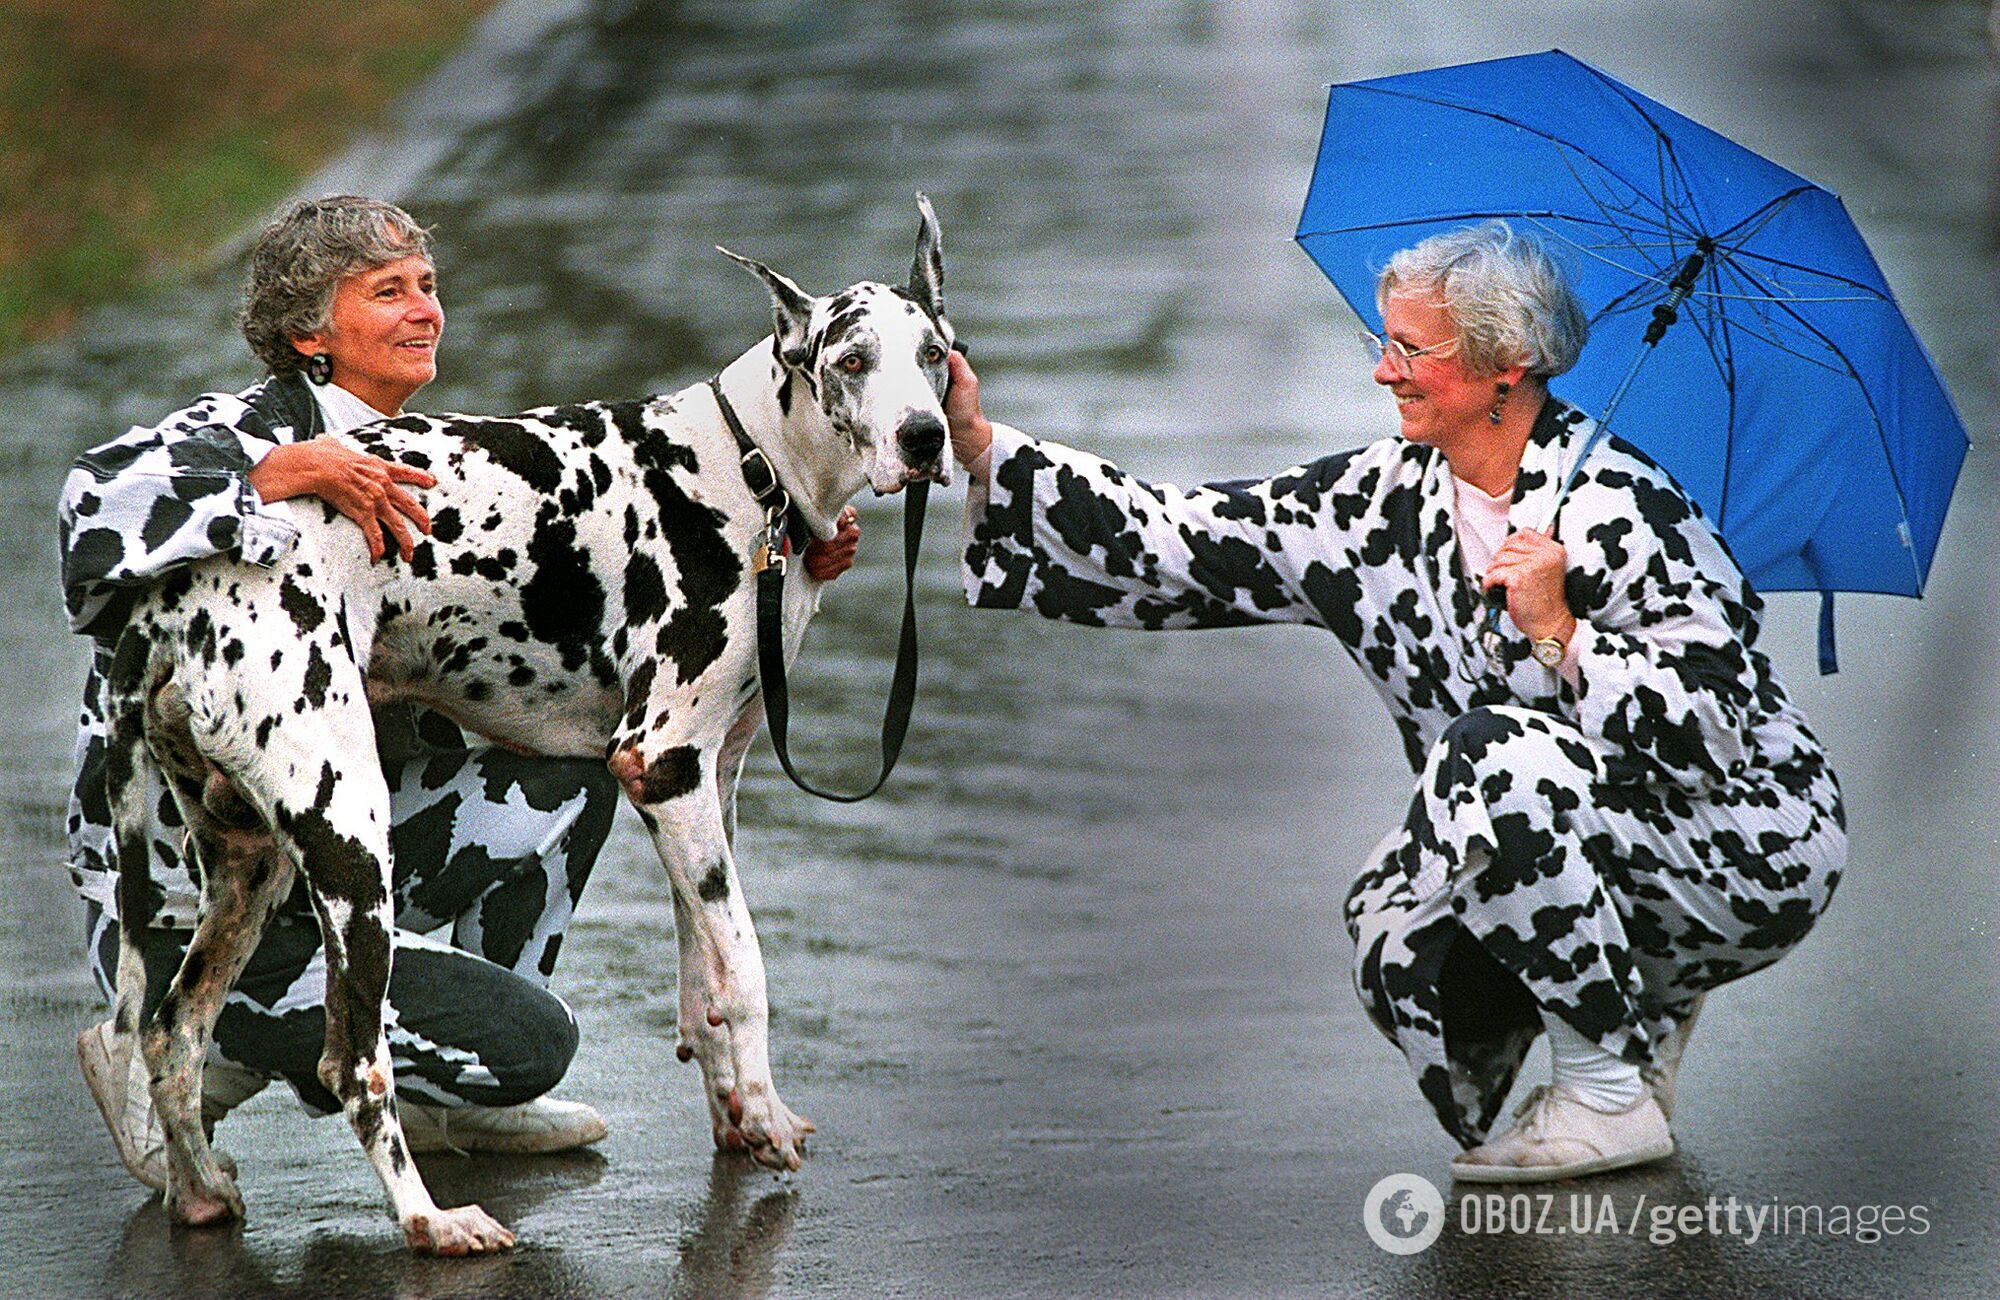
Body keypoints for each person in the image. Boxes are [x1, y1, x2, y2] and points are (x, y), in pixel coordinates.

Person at [941, 221, 1845, 1181]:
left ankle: (1608, 1093)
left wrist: (1566, 635)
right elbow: (1178, 539)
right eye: (1384, 344)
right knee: (1390, 919)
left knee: (1490, 762)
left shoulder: (1628, 509)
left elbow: (1715, 727)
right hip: (1586, 827)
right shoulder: (1381, 499)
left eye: (1412, 350)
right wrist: (984, 446)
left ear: (1510, 366)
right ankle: (1632, 1023)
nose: (1385, 373)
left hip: (1745, 842)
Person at [57, 194, 862, 1191]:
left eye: (428, 287)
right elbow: (92, 500)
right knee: (527, 1046)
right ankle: (175, 1044)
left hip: (322, 839)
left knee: (572, 776)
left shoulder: (415, 447)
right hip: (200, 884)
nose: (424, 308)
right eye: (387, 291)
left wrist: (772, 558)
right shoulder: (242, 426)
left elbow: (586, 630)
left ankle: (454, 1099)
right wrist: (279, 469)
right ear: (310, 332)